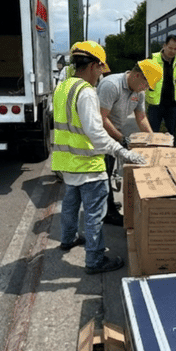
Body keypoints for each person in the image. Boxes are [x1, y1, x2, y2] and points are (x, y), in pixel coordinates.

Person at [51, 41, 146, 274]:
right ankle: (94, 260)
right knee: (95, 214)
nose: (100, 77)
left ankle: (68, 238)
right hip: (88, 164)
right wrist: (124, 152)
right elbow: (96, 134)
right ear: (94, 66)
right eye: (101, 70)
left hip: (67, 162)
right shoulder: (85, 93)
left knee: (70, 204)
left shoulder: (62, 88)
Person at [97, 59, 163, 225]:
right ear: (137, 75)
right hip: (100, 136)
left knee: (109, 170)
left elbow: (141, 118)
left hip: (114, 134)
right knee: (102, 173)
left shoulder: (138, 92)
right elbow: (101, 118)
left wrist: (154, 140)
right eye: (146, 85)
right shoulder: (111, 86)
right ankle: (107, 212)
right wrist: (120, 138)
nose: (146, 89)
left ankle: (108, 204)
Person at [146, 34, 176, 143]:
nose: (172, 51)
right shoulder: (153, 58)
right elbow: (144, 77)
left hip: (172, 104)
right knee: (153, 133)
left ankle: (171, 155)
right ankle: (153, 155)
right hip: (156, 103)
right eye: (170, 48)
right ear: (164, 46)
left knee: (172, 134)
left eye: (175, 49)